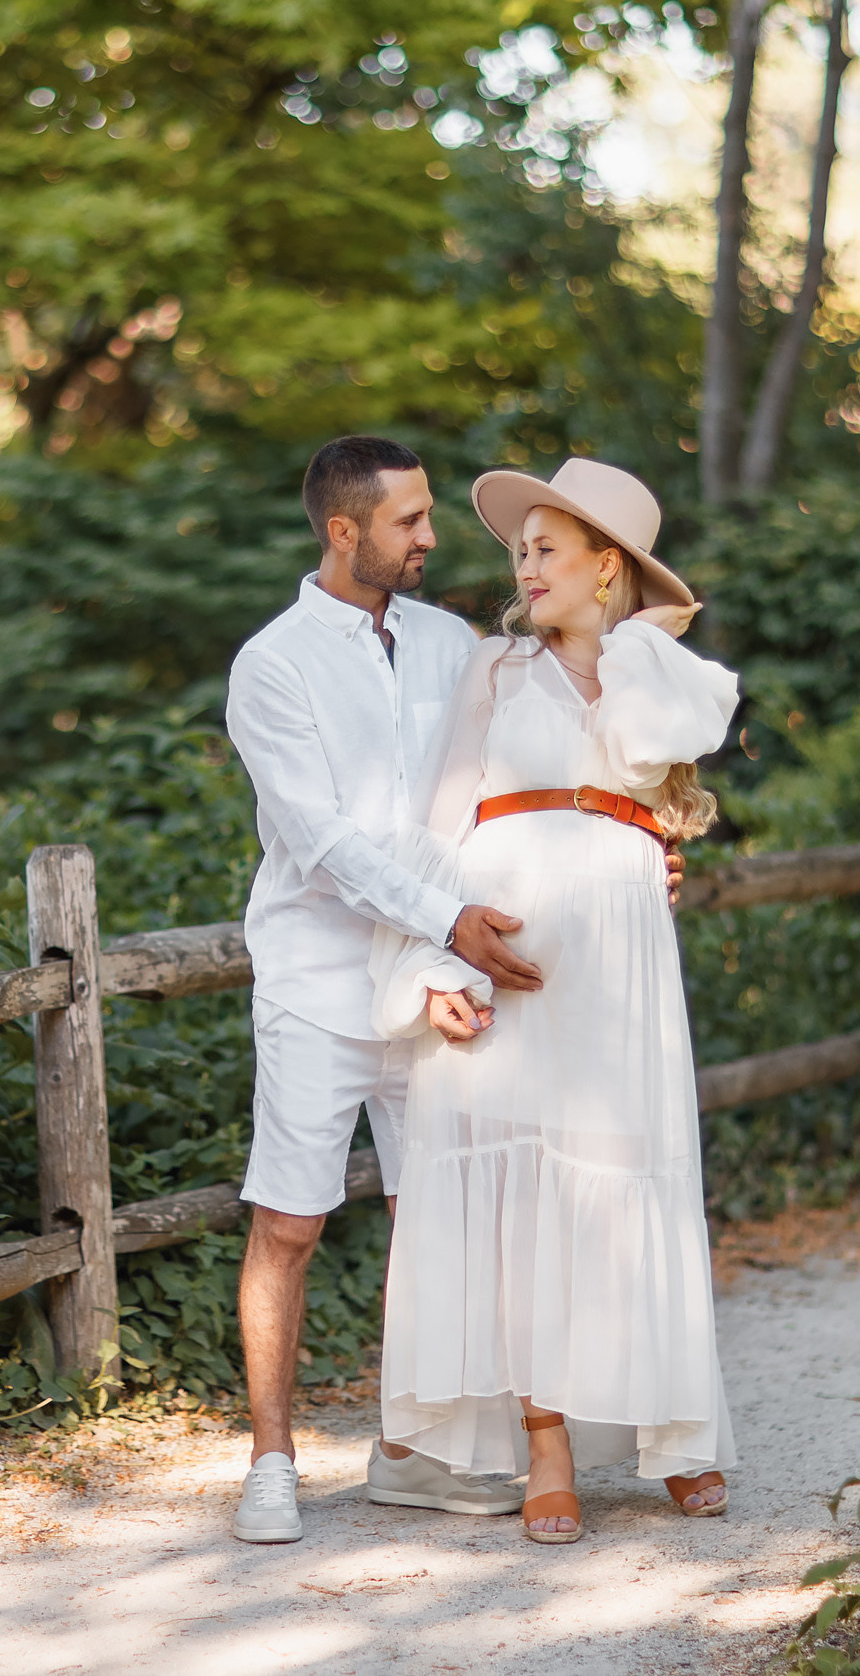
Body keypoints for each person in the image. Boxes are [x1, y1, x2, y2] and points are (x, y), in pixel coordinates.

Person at [369, 455, 740, 1545]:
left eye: (547, 549)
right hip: (508, 957)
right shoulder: (495, 669)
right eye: (519, 551)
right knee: (523, 1195)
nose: (524, 568)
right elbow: (435, 826)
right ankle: (545, 1446)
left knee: (630, 1175)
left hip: (620, 966)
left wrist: (631, 647)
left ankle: (674, 1427)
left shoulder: (651, 675)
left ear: (605, 565)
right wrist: (432, 964)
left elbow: (647, 783)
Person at [219, 435, 545, 1545]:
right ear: (342, 530)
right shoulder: (272, 665)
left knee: (436, 1216)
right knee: (289, 1222)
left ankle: (412, 1450)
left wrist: (634, 843)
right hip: (315, 980)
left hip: (432, 983)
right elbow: (321, 843)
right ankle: (271, 1462)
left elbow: (501, 794)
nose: (430, 536)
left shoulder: (452, 644)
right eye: (409, 520)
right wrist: (447, 926)